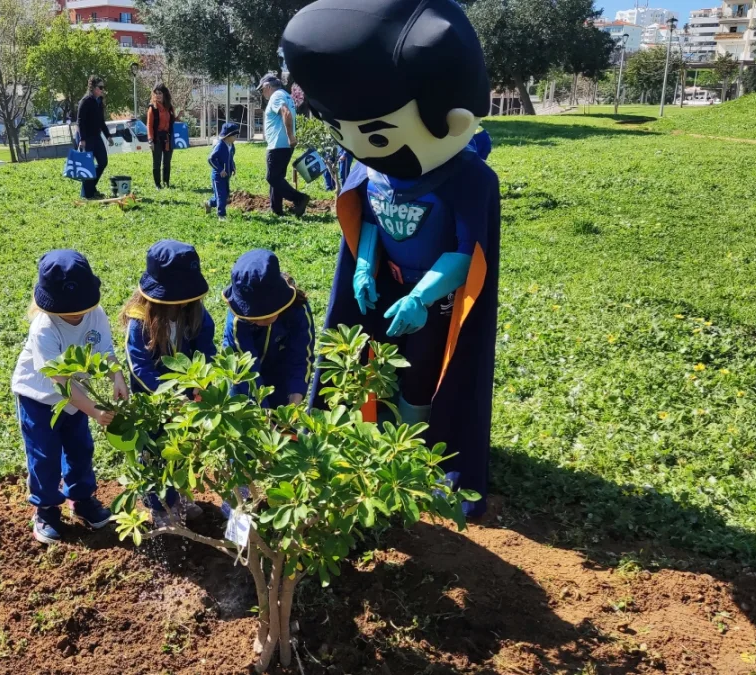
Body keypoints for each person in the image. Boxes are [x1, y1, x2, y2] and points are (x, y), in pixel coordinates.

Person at [283, 0, 501, 519]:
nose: (360, 145)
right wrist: (362, 265)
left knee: (422, 379)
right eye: (345, 131)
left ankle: (419, 460)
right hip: (384, 287)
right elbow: (370, 223)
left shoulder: (467, 180)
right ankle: (372, 451)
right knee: (370, 372)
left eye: (375, 134)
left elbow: (466, 254)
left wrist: (425, 297)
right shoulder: (369, 169)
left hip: (436, 307)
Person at [11, 250, 129, 543]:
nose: (78, 313)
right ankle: (47, 508)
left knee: (80, 449)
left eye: (82, 307)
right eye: (69, 308)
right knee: (44, 454)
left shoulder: (94, 313)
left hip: (75, 402)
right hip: (39, 398)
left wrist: (117, 375)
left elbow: (106, 351)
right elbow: (61, 384)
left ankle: (81, 499)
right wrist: (95, 412)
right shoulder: (44, 329)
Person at [121, 240, 214, 525]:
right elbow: (140, 368)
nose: (183, 301)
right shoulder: (140, 320)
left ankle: (182, 496)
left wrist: (201, 384)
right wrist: (172, 397)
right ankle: (161, 506)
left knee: (184, 449)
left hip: (187, 402)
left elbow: (207, 351)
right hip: (152, 403)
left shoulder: (196, 314)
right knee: (154, 454)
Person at [222, 249, 315, 408]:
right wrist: (262, 416)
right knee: (247, 424)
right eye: (254, 317)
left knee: (282, 417)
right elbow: (246, 370)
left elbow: (301, 356)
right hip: (245, 384)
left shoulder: (298, 309)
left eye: (265, 315)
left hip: (281, 377)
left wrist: (294, 401)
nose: (259, 321)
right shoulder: (238, 321)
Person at [259, 74, 310, 217]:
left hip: (278, 145)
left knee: (272, 178)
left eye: (262, 90)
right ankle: (276, 209)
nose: (262, 94)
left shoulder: (276, 96)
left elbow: (285, 113)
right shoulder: (286, 95)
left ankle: (299, 198)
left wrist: (290, 136)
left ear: (267, 87)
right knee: (278, 178)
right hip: (283, 145)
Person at [76, 76, 114, 199]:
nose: (102, 90)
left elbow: (101, 122)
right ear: (92, 88)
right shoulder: (85, 101)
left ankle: (90, 188)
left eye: (103, 87)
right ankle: (88, 194)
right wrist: (82, 139)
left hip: (97, 137)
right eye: (100, 87)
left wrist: (108, 136)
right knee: (88, 166)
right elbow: (80, 121)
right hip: (86, 138)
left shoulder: (99, 101)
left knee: (103, 162)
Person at [205, 122, 239, 219]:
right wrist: (220, 170)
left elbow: (230, 158)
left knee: (222, 196)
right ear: (228, 135)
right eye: (235, 135)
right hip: (218, 177)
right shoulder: (220, 146)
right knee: (221, 196)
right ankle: (221, 215)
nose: (236, 137)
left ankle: (209, 203)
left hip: (226, 175)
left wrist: (233, 167)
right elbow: (210, 159)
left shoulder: (231, 146)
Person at [147, 83, 176, 189]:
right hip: (156, 138)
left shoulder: (169, 107)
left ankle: (166, 182)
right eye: (156, 93)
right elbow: (149, 125)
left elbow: (171, 121)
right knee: (157, 162)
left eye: (160, 93)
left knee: (167, 161)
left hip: (167, 137)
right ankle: (157, 184)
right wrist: (150, 140)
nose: (157, 95)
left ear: (164, 94)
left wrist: (178, 117)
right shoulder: (152, 108)